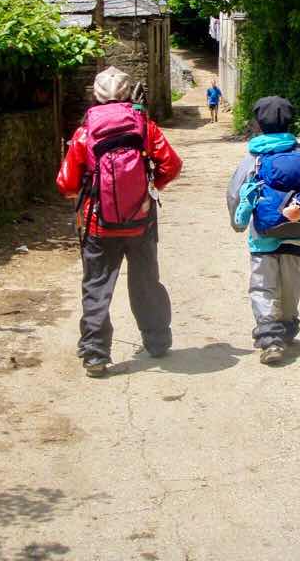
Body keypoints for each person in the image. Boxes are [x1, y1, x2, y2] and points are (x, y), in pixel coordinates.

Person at [56, 66, 183, 377]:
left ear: (95, 95)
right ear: (129, 93)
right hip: (141, 220)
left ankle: (96, 355)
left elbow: (67, 182)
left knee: (97, 285)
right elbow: (172, 164)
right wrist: (148, 189)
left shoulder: (85, 131)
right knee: (145, 282)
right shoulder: (144, 126)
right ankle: (156, 341)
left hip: (99, 222)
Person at [226, 96, 300, 365]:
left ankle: (270, 339)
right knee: (291, 282)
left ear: (258, 123)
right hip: (297, 233)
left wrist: (237, 222)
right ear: (290, 121)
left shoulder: (253, 157)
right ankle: (287, 328)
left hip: (262, 237)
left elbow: (234, 193)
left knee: (263, 286)